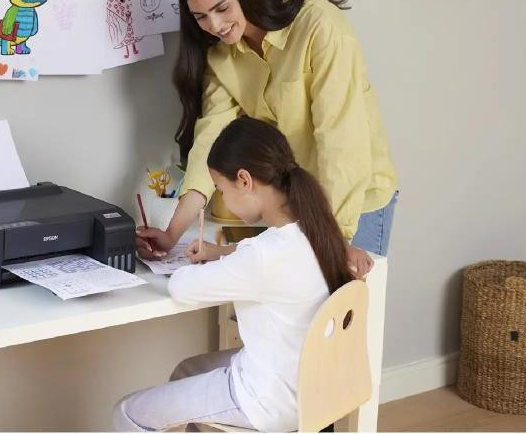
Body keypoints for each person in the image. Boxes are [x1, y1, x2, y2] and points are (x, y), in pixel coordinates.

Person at [137, 0, 399, 276]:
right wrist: (172, 234)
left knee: (345, 308)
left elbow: (341, 140)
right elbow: (210, 144)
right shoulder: (221, 57)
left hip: (354, 205)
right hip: (299, 208)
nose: (215, 25)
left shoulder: (319, 26)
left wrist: (336, 238)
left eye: (222, 8)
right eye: (201, 17)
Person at [114, 117, 354, 431]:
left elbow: (181, 288)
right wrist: (222, 253)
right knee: (188, 370)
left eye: (220, 190)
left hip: (268, 400)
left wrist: (211, 262)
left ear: (244, 180)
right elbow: (269, 263)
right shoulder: (317, 231)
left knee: (128, 411)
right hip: (310, 387)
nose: (222, 199)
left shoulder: (261, 255)